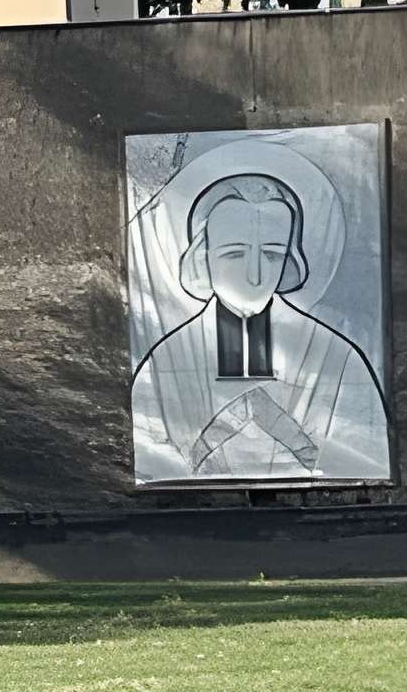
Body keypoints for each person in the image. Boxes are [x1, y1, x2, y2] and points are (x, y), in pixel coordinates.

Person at [130, 170, 389, 480]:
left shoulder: (337, 357)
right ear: (202, 256)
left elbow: (367, 462)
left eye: (272, 254)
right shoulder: (165, 361)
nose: (255, 276)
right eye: (234, 253)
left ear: (291, 259)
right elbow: (149, 467)